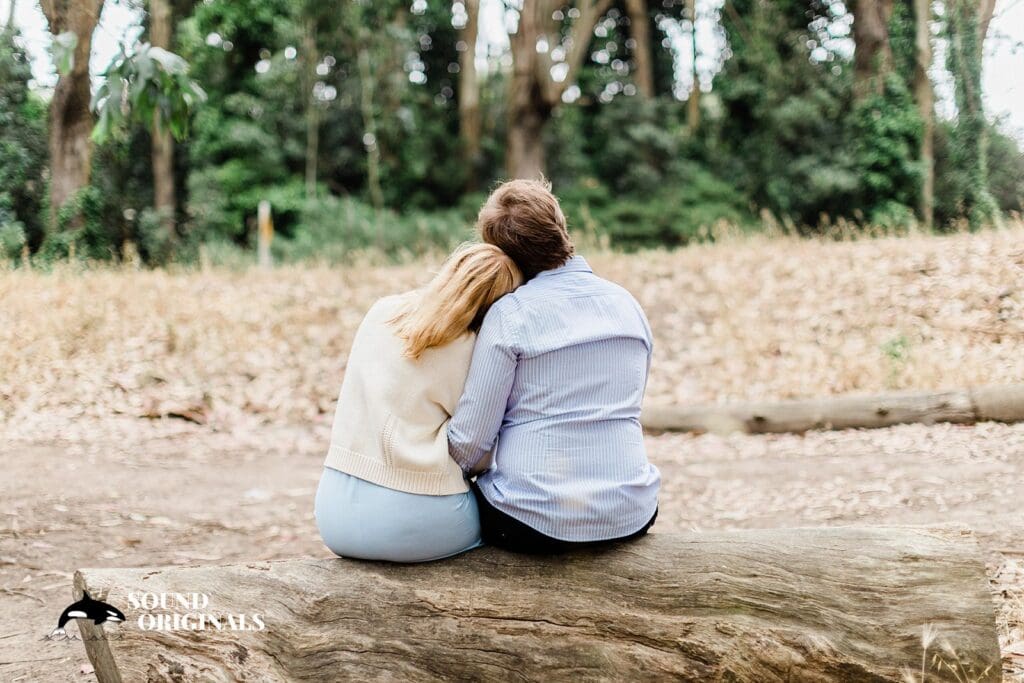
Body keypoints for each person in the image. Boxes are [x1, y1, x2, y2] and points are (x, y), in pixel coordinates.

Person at [448, 178, 661, 554]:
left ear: (503, 255)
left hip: (533, 519)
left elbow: (469, 446)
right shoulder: (628, 304)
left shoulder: (510, 315)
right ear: (560, 226)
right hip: (632, 512)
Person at [315, 243, 522, 562]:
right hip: (418, 520)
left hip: (334, 514)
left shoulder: (382, 311)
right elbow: (475, 455)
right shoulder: (474, 352)